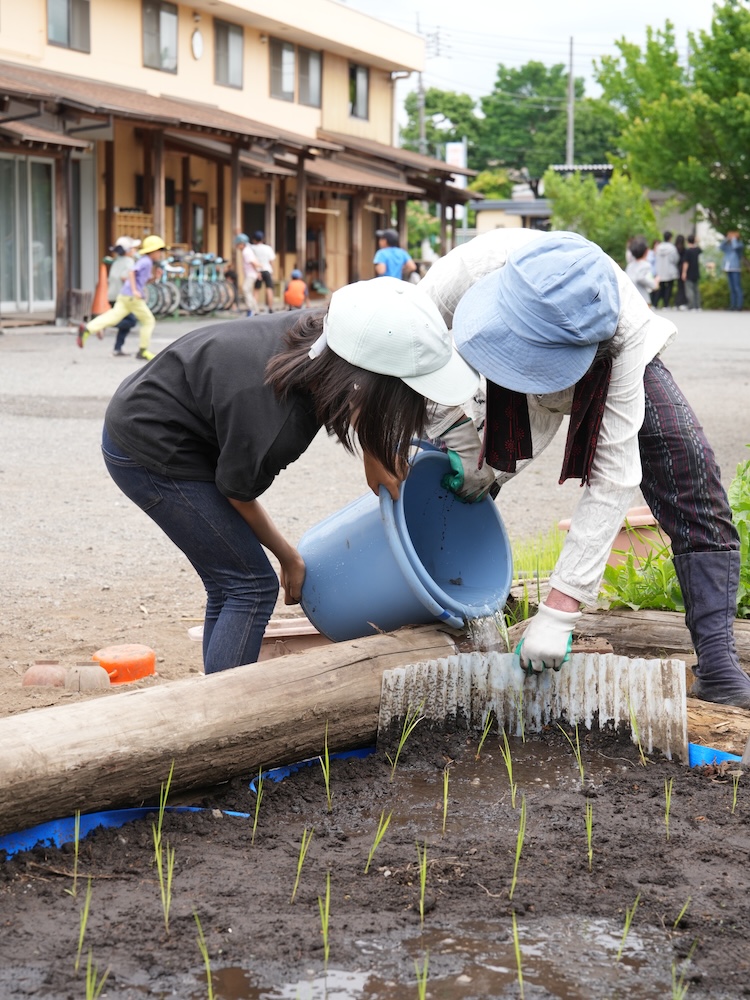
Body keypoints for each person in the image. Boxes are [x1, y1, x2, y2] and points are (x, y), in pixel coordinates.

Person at [324, 229, 750, 711]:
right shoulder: (465, 275)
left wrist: (562, 609)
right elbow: (393, 355)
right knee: (447, 480)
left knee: (690, 470)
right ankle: (442, 620)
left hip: (607, 363)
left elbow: (614, 475)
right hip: (477, 380)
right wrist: (405, 440)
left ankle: (718, 667)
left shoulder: (621, 334)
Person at [101, 282, 477, 674]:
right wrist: (289, 557)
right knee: (251, 586)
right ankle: (224, 715)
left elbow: (361, 383)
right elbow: (237, 494)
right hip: (148, 448)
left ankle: (212, 695)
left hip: (172, 412)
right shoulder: (276, 423)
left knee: (229, 583)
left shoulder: (326, 336)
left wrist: (374, 448)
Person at [78, 235, 167, 360]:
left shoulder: (139, 261)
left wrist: (155, 277)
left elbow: (141, 280)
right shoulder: (145, 261)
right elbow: (131, 272)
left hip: (123, 294)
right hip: (131, 296)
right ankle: (143, 350)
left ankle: (88, 328)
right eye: (159, 250)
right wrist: (135, 290)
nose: (161, 253)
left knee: (114, 317)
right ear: (153, 251)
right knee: (148, 321)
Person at [108, 236, 140, 356]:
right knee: (131, 321)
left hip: (111, 294)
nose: (135, 251)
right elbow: (124, 276)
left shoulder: (117, 260)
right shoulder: (129, 262)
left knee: (124, 324)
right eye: (133, 248)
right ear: (128, 250)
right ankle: (104, 325)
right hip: (122, 296)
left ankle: (117, 348)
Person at [625, 236, 659, 305]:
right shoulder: (646, 265)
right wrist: (655, 284)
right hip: (643, 298)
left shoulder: (630, 265)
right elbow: (641, 278)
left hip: (630, 298)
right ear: (646, 251)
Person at [234, 233, 260, 316]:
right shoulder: (247, 250)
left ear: (242, 244)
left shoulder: (246, 251)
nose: (237, 246)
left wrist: (258, 270)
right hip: (251, 274)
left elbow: (253, 263)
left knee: (245, 289)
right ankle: (255, 310)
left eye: (238, 244)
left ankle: (251, 309)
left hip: (251, 275)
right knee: (248, 291)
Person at [251, 230, 276, 313]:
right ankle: (270, 307)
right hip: (267, 270)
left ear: (254, 239)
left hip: (257, 271)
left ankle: (255, 309)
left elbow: (252, 261)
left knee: (256, 290)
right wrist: (272, 270)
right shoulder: (268, 248)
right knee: (269, 289)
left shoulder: (252, 248)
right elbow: (271, 261)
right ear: (262, 239)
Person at [719, 229, 744, 311]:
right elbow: (720, 247)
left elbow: (735, 246)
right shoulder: (727, 246)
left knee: (737, 287)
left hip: (736, 268)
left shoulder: (739, 245)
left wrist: (734, 239)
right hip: (728, 268)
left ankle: (739, 306)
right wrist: (727, 239)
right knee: (731, 288)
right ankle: (733, 305)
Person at [654, 231, 680, 308]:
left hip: (660, 270)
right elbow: (675, 259)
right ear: (670, 238)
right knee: (669, 288)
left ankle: (655, 304)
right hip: (670, 271)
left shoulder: (658, 247)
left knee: (660, 288)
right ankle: (666, 304)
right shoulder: (672, 248)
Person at [682, 233, 703, 311]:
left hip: (689, 272)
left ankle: (691, 305)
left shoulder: (688, 251)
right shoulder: (697, 250)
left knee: (689, 290)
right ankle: (698, 306)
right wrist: (697, 241)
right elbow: (700, 249)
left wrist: (684, 272)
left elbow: (686, 263)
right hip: (696, 272)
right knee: (696, 290)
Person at [674, 234, 688, 309]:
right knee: (682, 287)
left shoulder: (674, 249)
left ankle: (677, 303)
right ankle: (681, 303)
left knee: (678, 287)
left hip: (674, 269)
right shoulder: (684, 250)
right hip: (682, 269)